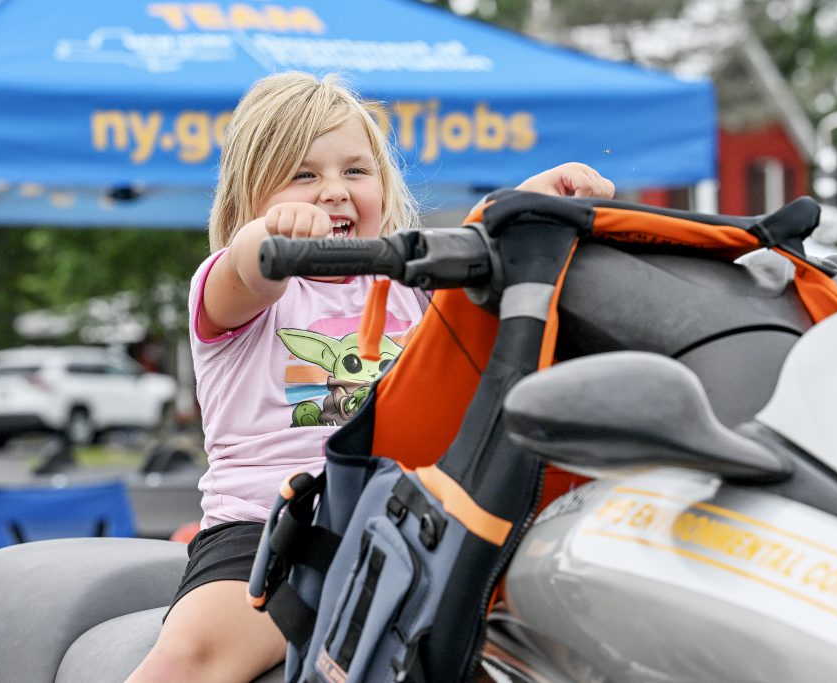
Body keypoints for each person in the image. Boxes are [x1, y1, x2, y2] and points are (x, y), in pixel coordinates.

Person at [127, 71, 614, 683]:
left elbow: (480, 254)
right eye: (304, 175)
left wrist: (527, 207)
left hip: (409, 526)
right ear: (250, 196)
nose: (333, 191)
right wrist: (269, 238)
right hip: (267, 534)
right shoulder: (237, 290)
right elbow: (248, 268)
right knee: (192, 659)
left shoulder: (410, 290)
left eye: (355, 171)